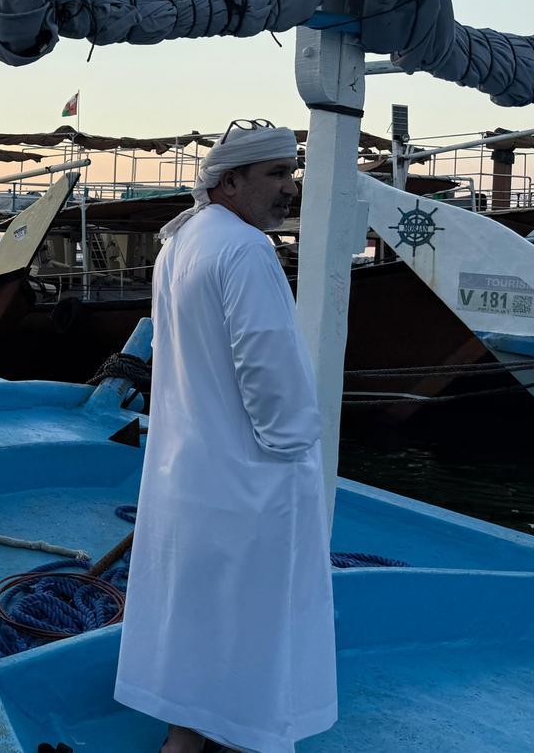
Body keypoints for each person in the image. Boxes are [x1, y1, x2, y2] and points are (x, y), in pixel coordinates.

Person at [114, 121, 334, 753]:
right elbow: (267, 363)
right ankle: (245, 737)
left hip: (189, 470)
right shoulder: (245, 249)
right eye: (276, 174)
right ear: (230, 181)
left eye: (291, 173)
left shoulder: (181, 243)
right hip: (252, 476)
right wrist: (294, 448)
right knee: (257, 622)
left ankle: (182, 739)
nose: (290, 188)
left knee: (198, 615)